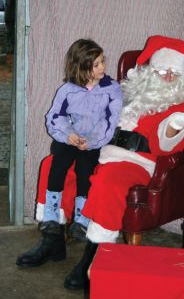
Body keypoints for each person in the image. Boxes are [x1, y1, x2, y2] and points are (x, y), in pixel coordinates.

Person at [17, 35, 184, 291]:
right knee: (53, 164)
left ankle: (95, 254)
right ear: (150, 70)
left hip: (137, 159)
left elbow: (166, 144)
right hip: (103, 147)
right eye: (163, 70)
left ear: (183, 75)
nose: (168, 77)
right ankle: (53, 239)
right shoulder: (129, 88)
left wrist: (175, 125)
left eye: (175, 72)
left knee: (108, 180)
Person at [16, 38, 123, 267]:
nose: (103, 67)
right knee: (57, 161)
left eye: (103, 61)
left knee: (86, 167)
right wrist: (68, 135)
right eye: (96, 64)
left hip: (93, 143)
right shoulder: (67, 90)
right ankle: (52, 219)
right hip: (69, 138)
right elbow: (55, 117)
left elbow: (111, 121)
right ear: (81, 67)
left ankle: (81, 220)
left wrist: (92, 141)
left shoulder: (111, 89)